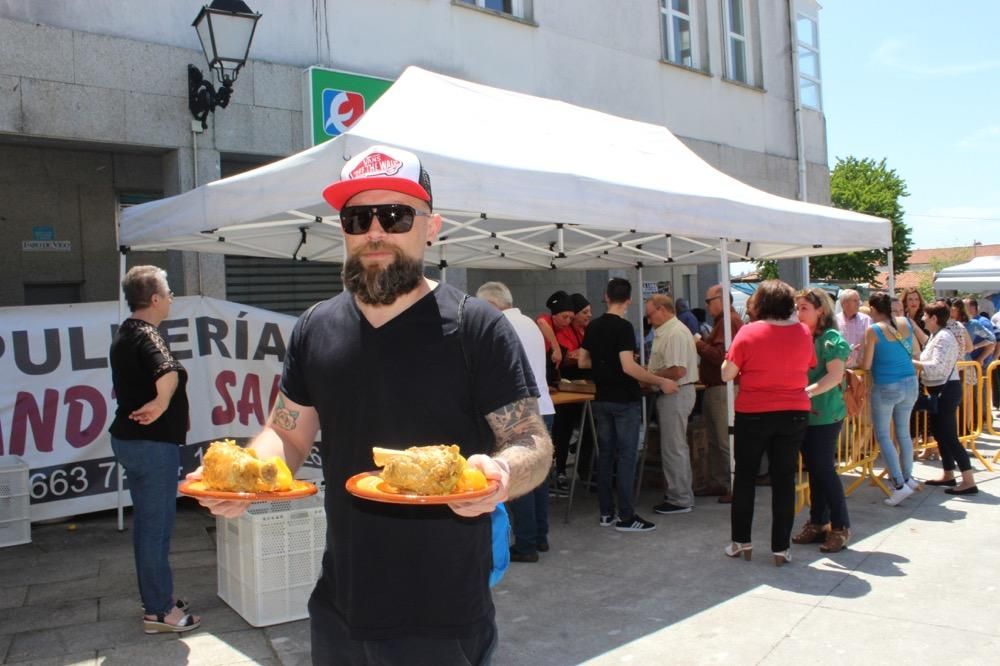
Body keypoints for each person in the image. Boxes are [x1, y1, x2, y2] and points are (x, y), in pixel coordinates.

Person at [198, 145, 552, 665]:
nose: (374, 231)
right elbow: (289, 432)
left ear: (431, 227)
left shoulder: (477, 328)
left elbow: (532, 442)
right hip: (340, 600)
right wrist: (245, 478)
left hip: (442, 611)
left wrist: (498, 474)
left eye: (395, 215)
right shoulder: (316, 327)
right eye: (357, 217)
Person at [109, 265, 200, 634]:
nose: (172, 299)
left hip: (132, 441)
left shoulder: (126, 333)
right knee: (156, 529)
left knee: (148, 526)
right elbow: (168, 372)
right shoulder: (148, 334)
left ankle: (157, 597)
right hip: (150, 445)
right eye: (169, 293)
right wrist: (162, 404)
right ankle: (159, 611)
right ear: (155, 299)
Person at [721, 280, 815, 566]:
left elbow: (727, 373)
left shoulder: (749, 332)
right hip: (794, 411)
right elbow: (807, 365)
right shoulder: (803, 332)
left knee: (746, 477)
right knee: (784, 479)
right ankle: (781, 547)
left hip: (755, 412)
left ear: (760, 303)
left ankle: (741, 541)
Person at [577, 278, 678, 532]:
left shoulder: (594, 326)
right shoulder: (623, 328)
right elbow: (628, 367)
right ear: (629, 301)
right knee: (626, 458)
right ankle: (626, 515)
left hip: (602, 399)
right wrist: (661, 380)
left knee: (606, 455)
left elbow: (582, 362)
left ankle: (606, 513)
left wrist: (605, 362)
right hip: (624, 399)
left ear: (606, 297)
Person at [477, 281, 557, 562]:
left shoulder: (498, 327)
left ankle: (525, 544)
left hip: (515, 412)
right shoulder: (531, 324)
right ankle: (539, 536)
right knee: (538, 478)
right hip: (544, 407)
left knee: (518, 475)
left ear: (490, 305)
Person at [791, 288, 852, 553]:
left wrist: (808, 391)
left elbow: (835, 376)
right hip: (805, 412)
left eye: (804, 307)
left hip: (826, 413)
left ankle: (841, 527)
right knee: (815, 471)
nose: (798, 312)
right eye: (797, 307)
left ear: (821, 311)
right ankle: (818, 523)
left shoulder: (831, 338)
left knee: (824, 471)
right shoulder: (801, 336)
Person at [862, 291, 922, 507]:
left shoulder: (873, 330)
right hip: (910, 383)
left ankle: (898, 485)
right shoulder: (905, 322)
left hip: (886, 386)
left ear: (873, 309)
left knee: (884, 436)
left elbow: (866, 365)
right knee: (904, 433)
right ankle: (907, 478)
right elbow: (914, 348)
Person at [913, 302, 978, 495]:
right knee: (940, 434)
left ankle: (968, 480)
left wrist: (910, 363)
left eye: (925, 315)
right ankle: (948, 473)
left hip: (945, 390)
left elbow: (936, 367)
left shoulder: (943, 337)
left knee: (949, 436)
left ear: (934, 318)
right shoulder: (937, 335)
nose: (923, 318)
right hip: (938, 391)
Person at [645, 294, 700, 515]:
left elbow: (677, 370)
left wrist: (650, 377)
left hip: (676, 392)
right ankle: (680, 494)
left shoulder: (675, 332)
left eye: (650, 315)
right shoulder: (670, 330)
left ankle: (680, 498)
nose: (649, 320)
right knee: (674, 446)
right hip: (674, 392)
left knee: (674, 447)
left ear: (662, 310)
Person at [695, 284, 743, 503]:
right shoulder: (723, 322)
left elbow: (721, 356)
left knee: (725, 440)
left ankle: (734, 484)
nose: (706, 306)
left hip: (723, 388)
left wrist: (699, 345)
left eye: (708, 301)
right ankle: (720, 482)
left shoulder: (728, 322)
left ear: (721, 299)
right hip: (716, 388)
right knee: (716, 439)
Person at [835, 289, 870, 369]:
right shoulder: (835, 321)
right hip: (840, 368)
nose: (859, 303)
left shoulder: (866, 320)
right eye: (855, 300)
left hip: (861, 368)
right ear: (844, 303)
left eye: (858, 300)